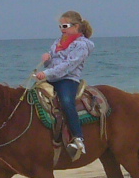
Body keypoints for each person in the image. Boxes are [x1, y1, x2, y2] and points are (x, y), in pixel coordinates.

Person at [34, 10, 94, 160]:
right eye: (60, 26)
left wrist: (46, 73)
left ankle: (78, 138)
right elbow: (52, 60)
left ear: (76, 26)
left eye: (65, 26)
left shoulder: (81, 45)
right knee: (32, 96)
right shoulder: (59, 42)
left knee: (67, 102)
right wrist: (47, 59)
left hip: (67, 79)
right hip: (52, 77)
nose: (62, 29)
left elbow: (68, 65)